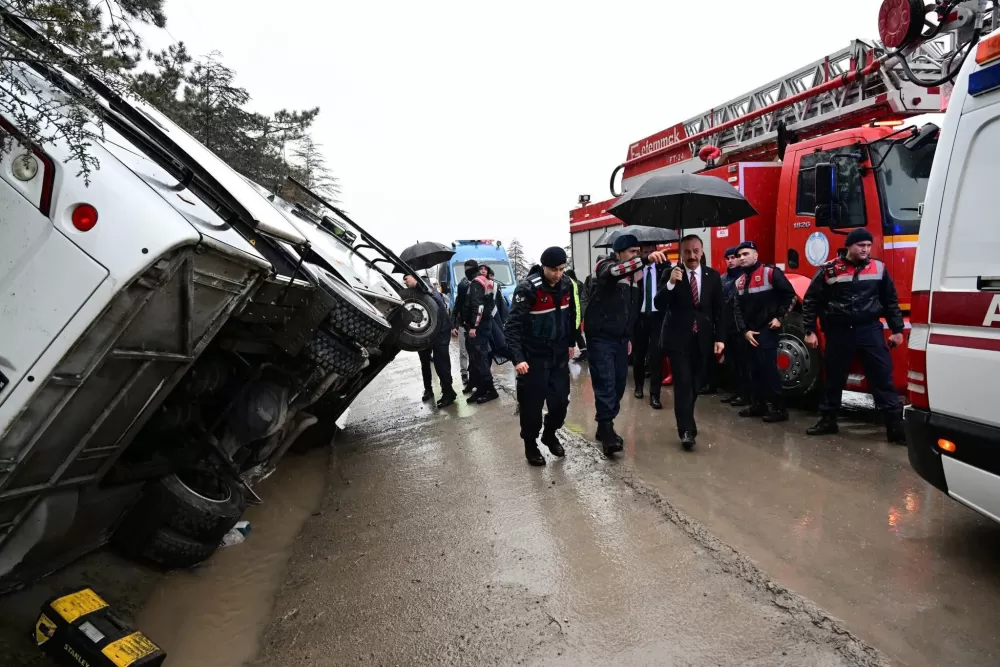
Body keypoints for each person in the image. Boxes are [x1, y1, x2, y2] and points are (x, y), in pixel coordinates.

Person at [801, 228, 906, 444]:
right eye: (861, 246)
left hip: (870, 330)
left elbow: (890, 301)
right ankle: (828, 420)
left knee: (882, 378)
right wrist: (809, 330)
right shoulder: (829, 271)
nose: (866, 250)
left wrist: (897, 330)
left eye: (868, 246)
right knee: (833, 378)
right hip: (839, 332)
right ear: (849, 246)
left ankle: (895, 428)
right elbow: (812, 301)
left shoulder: (879, 268)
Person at [587, 234, 669, 456]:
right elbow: (615, 272)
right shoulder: (606, 266)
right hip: (601, 337)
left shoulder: (636, 277)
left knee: (620, 385)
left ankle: (604, 424)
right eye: (632, 252)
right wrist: (644, 259)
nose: (636, 255)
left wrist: (630, 336)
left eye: (638, 251)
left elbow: (631, 310)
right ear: (619, 253)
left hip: (622, 339)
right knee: (606, 384)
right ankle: (607, 434)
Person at [505, 247, 578, 466]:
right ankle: (530, 445)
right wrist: (518, 358)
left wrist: (571, 342)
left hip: (558, 357)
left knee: (560, 404)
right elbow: (512, 327)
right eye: (553, 269)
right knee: (531, 408)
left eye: (562, 269)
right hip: (533, 359)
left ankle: (549, 434)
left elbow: (571, 315)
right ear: (543, 267)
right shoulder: (528, 289)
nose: (558, 274)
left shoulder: (566, 284)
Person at [654, 234, 724, 450]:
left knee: (695, 384)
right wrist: (672, 284)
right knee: (683, 384)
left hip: (702, 339)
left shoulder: (712, 276)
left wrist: (720, 338)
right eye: (687, 251)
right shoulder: (671, 273)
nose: (692, 255)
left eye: (695, 251)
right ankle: (686, 429)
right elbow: (659, 303)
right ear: (681, 253)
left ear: (702, 252)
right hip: (678, 339)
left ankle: (686, 418)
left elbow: (720, 310)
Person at [731, 240, 797, 423]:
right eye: (739, 256)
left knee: (768, 369)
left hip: (767, 329)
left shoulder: (771, 273)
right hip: (749, 333)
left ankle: (779, 408)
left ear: (756, 255)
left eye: (745, 254)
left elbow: (790, 296)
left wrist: (780, 318)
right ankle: (758, 405)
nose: (741, 258)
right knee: (753, 370)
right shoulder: (740, 281)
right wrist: (744, 331)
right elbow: (736, 309)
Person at [405, 274, 457, 408]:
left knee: (441, 363)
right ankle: (431, 389)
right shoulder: (416, 291)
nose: (405, 282)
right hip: (426, 333)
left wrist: (451, 326)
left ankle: (448, 393)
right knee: (425, 361)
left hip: (440, 331)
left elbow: (439, 303)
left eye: (407, 278)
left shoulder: (427, 288)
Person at [632, 243, 672, 410]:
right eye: (646, 252)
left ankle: (655, 394)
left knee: (656, 356)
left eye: (652, 251)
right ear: (641, 253)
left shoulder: (665, 267)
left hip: (658, 317)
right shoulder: (635, 268)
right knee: (638, 356)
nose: (650, 255)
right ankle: (639, 386)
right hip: (639, 318)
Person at [462, 264, 499, 404]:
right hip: (484, 325)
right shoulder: (486, 282)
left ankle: (490, 390)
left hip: (479, 327)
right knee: (478, 359)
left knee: (481, 359)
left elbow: (479, 307)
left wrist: (473, 326)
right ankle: (482, 389)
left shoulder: (477, 283)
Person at [719, 246, 750, 406]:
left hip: (740, 326)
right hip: (727, 326)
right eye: (728, 258)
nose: (730, 261)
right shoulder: (723, 279)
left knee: (742, 362)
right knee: (731, 362)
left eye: (733, 257)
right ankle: (735, 391)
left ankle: (745, 394)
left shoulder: (744, 277)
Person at [452, 259, 479, 391]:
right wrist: (454, 324)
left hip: (477, 326)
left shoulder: (480, 283)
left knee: (477, 353)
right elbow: (457, 304)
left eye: (470, 268)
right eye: (465, 268)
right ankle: (465, 374)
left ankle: (477, 377)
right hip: (464, 324)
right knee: (464, 351)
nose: (467, 271)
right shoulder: (463, 285)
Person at [565, 269, 588, 362]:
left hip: (575, 311)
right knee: (578, 333)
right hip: (580, 311)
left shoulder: (572, 284)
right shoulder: (580, 283)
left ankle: (584, 352)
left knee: (576, 333)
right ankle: (584, 351)